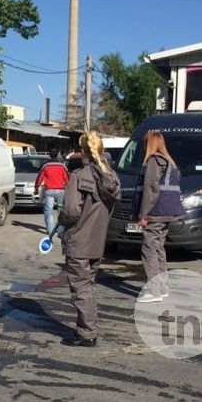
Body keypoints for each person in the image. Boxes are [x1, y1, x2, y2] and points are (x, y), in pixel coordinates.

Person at [59, 130, 121, 347]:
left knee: (81, 289)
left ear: (83, 151)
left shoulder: (79, 176)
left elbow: (70, 211)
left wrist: (62, 221)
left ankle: (87, 333)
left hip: (79, 241)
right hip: (97, 241)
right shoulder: (112, 178)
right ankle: (88, 328)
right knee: (88, 286)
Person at [135, 131, 184, 303]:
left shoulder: (154, 161)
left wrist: (144, 215)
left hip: (155, 212)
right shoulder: (171, 163)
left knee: (149, 249)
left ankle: (153, 290)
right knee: (158, 249)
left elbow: (151, 189)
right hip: (168, 212)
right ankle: (163, 287)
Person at [34, 149, 70, 235]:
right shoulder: (62, 166)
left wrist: (36, 188)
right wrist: (69, 188)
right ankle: (61, 230)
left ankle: (50, 230)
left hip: (49, 190)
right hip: (60, 190)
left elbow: (40, 178)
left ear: (49, 155)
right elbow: (67, 178)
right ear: (57, 155)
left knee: (48, 210)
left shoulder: (46, 166)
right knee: (61, 210)